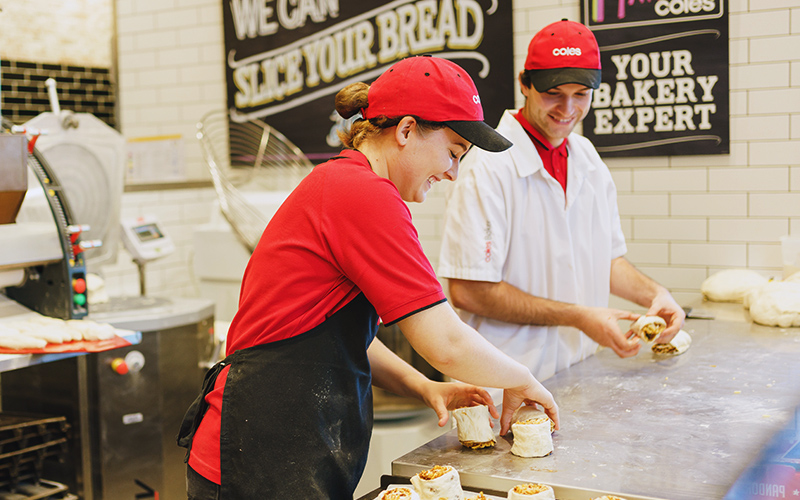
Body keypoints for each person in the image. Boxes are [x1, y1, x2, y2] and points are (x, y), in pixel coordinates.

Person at [177, 55, 559, 499]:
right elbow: (446, 342)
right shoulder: (363, 193)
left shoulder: (346, 183)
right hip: (257, 453)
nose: (453, 173)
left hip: (275, 449)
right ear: (406, 130)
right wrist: (522, 379)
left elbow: (337, 336)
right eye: (453, 153)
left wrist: (423, 385)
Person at [438, 20, 686, 391]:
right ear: (525, 83)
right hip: (504, 380)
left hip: (577, 372)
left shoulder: (586, 158)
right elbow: (470, 290)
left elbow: (607, 259)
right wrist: (580, 317)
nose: (567, 109)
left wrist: (657, 295)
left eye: (581, 93)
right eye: (553, 92)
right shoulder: (488, 166)